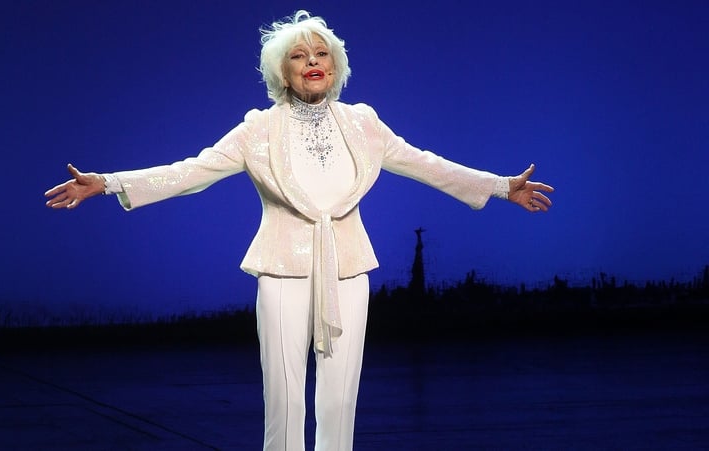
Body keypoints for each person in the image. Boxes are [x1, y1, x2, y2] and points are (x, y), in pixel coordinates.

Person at [44, 10, 554, 451]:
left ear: (334, 68)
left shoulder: (363, 124)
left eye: (322, 54)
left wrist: (503, 186)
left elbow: (426, 164)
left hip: (348, 267)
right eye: (299, 56)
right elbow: (190, 171)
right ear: (282, 75)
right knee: (285, 393)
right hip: (283, 267)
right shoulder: (258, 129)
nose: (312, 61)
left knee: (340, 392)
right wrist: (107, 183)